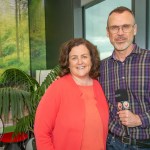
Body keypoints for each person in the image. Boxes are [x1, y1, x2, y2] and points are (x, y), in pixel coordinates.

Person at [34, 38, 109, 150]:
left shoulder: (97, 86)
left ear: (92, 60)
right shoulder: (57, 88)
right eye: (74, 58)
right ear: (68, 63)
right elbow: (41, 131)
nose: (80, 62)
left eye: (84, 56)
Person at [99, 6, 150, 150]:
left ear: (135, 29)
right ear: (108, 32)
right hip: (111, 143)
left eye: (125, 27)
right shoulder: (100, 68)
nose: (120, 33)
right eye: (114, 28)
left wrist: (140, 119)